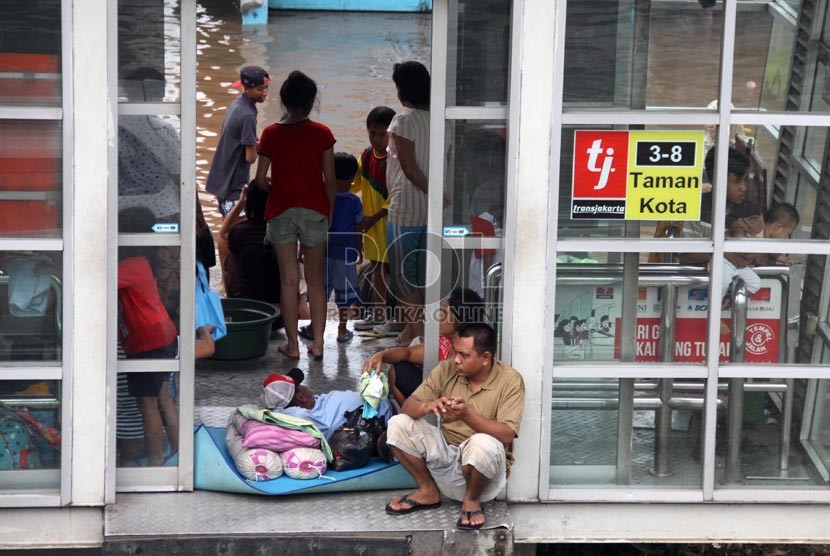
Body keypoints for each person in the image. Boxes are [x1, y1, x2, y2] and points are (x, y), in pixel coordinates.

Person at [383, 323, 525, 530]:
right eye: (455, 352)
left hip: (484, 477)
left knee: (482, 443)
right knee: (397, 424)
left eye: (464, 355)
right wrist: (428, 406)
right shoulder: (448, 368)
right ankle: (428, 490)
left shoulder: (510, 380)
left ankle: (472, 500)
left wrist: (466, 415)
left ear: (485, 358)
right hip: (446, 460)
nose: (456, 359)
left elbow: (506, 435)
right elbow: (408, 407)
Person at [254, 70, 336, 360]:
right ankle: (317, 344)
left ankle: (292, 345)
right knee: (315, 280)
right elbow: (329, 179)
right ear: (312, 101)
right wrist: (330, 212)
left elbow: (260, 180)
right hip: (315, 210)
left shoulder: (271, 134)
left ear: (284, 102)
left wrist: (279, 188)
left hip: (281, 210)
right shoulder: (323, 134)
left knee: (289, 280)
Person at [117, 208, 180, 467]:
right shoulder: (146, 261)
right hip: (163, 335)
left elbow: (93, 278)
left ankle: (155, 462)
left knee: (148, 405)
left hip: (147, 341)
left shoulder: (130, 266)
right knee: (164, 398)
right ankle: (178, 453)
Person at [206, 65, 269, 290]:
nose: (264, 93)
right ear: (248, 88)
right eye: (261, 89)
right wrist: (266, 149)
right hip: (233, 183)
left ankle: (227, 280)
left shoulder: (238, 105)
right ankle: (227, 281)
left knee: (230, 228)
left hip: (222, 177)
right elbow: (251, 157)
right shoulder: (247, 115)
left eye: (266, 88)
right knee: (231, 231)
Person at [363, 288, 485, 405]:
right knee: (398, 371)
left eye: (444, 313)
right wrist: (381, 356)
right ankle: (412, 416)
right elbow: (408, 353)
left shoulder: (473, 348)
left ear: (460, 320)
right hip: (437, 399)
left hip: (461, 405)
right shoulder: (444, 343)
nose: (439, 316)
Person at [384, 61, 431, 345]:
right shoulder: (440, 118)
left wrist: (432, 192)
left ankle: (421, 337)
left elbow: (410, 168)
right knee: (424, 274)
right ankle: (413, 332)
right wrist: (439, 198)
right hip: (432, 212)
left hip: (405, 211)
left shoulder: (403, 121)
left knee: (403, 276)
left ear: (403, 91)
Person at [302, 153, 363, 343]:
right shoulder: (354, 202)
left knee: (319, 290)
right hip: (345, 254)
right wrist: (358, 250)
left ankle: (313, 327)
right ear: (352, 178)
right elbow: (358, 228)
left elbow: (311, 223)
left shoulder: (322, 196)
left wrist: (303, 248)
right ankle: (342, 330)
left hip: (322, 252)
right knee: (344, 294)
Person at [352, 106, 396, 331]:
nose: (377, 139)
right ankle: (379, 315)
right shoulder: (367, 155)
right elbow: (355, 184)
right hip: (371, 225)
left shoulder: (394, 160)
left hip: (388, 224)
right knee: (378, 269)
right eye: (372, 133)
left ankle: (397, 318)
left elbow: (395, 196)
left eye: (382, 134)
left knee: (394, 271)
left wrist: (373, 218)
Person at [280, 369, 393, 440]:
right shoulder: (325, 420)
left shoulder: (316, 401)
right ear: (300, 397)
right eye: (300, 386)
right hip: (389, 414)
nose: (305, 386)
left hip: (384, 400)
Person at [219, 184, 280, 306]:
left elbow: (223, 233)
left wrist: (241, 202)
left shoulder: (239, 232)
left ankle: (231, 299)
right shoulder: (280, 232)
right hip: (275, 300)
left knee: (230, 258)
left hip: (245, 299)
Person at [721, 202, 799, 296]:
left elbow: (773, 253)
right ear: (779, 227)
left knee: (755, 283)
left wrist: (785, 259)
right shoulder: (755, 224)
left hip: (740, 266)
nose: (785, 237)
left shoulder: (767, 241)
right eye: (787, 234)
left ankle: (730, 300)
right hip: (726, 260)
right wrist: (740, 238)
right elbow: (738, 224)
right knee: (722, 283)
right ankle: (718, 303)